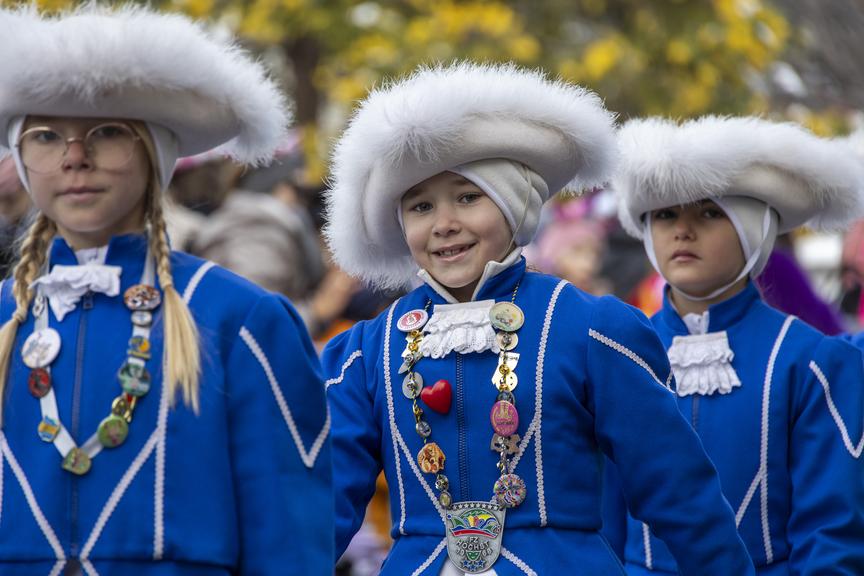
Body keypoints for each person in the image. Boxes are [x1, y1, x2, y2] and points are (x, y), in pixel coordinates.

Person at [322, 62, 753, 575]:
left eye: (468, 197)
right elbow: (321, 508)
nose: (443, 224)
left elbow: (679, 491)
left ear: (514, 206)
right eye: (419, 207)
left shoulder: (590, 329)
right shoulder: (367, 350)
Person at [0, 5, 332, 574]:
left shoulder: (238, 318)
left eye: (106, 133)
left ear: (155, 153)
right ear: (22, 158)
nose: (75, 157)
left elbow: (289, 539)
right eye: (47, 135)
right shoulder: (7, 311)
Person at [609, 115, 864, 575]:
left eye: (709, 211)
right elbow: (598, 522)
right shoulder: (617, 355)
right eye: (665, 213)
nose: (682, 230)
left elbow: (832, 531)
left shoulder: (809, 361)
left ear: (755, 229)